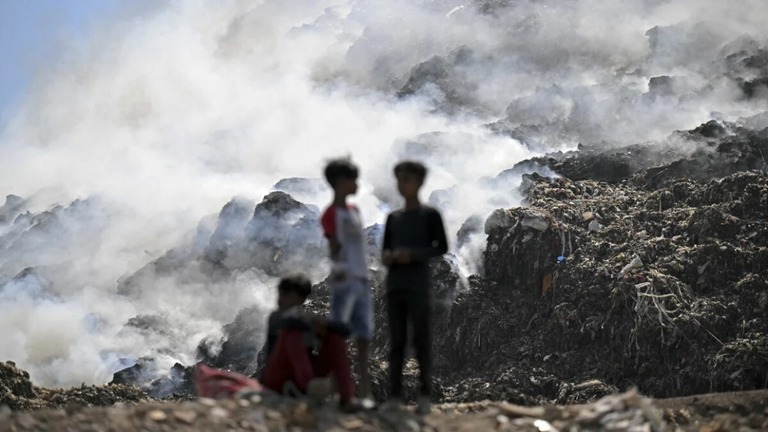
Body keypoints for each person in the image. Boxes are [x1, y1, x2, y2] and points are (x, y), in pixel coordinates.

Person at [381, 160, 448, 415]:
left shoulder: (430, 215)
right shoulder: (393, 218)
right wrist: (391, 258)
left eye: (407, 179)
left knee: (421, 340)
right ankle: (395, 397)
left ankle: (424, 395)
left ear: (420, 182)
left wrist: (413, 255)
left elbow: (440, 247)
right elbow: (385, 252)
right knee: (396, 342)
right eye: (399, 179)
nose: (402, 184)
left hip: (418, 285)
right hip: (395, 286)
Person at [260, 274, 359, 411]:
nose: (281, 298)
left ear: (301, 299)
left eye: (288, 295)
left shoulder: (305, 319)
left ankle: (347, 397)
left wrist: (324, 328)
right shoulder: (277, 317)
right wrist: (314, 324)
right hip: (277, 378)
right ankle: (309, 387)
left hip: (304, 376)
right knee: (292, 333)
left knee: (334, 338)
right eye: (282, 293)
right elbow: (290, 322)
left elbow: (344, 330)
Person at [320, 158, 374, 405]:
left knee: (363, 334)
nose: (357, 184)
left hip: (360, 278)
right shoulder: (332, 214)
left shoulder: (354, 211)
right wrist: (339, 268)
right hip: (345, 279)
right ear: (341, 182)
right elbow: (333, 245)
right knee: (338, 336)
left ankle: (363, 391)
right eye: (353, 179)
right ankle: (336, 391)